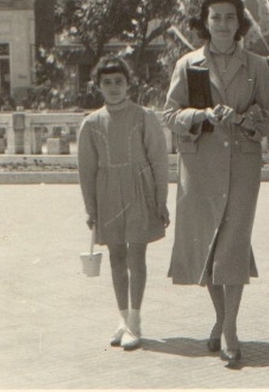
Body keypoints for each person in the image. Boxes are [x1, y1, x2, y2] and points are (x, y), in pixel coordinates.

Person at [162, 0, 269, 363]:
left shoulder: (257, 65)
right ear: (205, 22)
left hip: (242, 166)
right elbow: (168, 114)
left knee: (232, 244)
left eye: (230, 17)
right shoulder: (188, 64)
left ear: (239, 22)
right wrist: (201, 116)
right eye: (216, 17)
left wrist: (245, 119)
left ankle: (230, 328)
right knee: (207, 247)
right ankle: (221, 317)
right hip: (199, 167)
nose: (224, 24)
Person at [77, 55, 170, 350]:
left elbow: (159, 160)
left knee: (136, 255)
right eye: (107, 83)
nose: (114, 87)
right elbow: (86, 170)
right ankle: (122, 318)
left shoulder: (144, 117)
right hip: (107, 192)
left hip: (139, 190)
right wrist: (90, 208)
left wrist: (160, 199)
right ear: (98, 86)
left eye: (119, 82)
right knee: (117, 257)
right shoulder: (91, 124)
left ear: (129, 84)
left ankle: (136, 320)